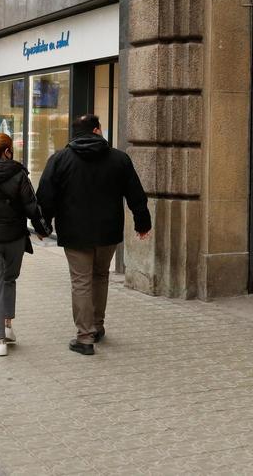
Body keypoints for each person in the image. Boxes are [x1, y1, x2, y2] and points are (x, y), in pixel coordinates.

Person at [36, 114, 151, 356]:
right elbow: (136, 195)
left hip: (75, 233)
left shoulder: (60, 159)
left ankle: (85, 337)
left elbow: (45, 197)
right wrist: (142, 224)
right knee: (100, 276)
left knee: (81, 282)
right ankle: (97, 326)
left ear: (75, 134)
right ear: (98, 130)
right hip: (108, 232)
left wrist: (43, 227)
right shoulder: (119, 159)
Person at [0, 133, 50, 357]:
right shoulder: (19, 174)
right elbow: (31, 206)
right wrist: (43, 230)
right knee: (9, 279)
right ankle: (7, 327)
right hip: (14, 237)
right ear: (6, 151)